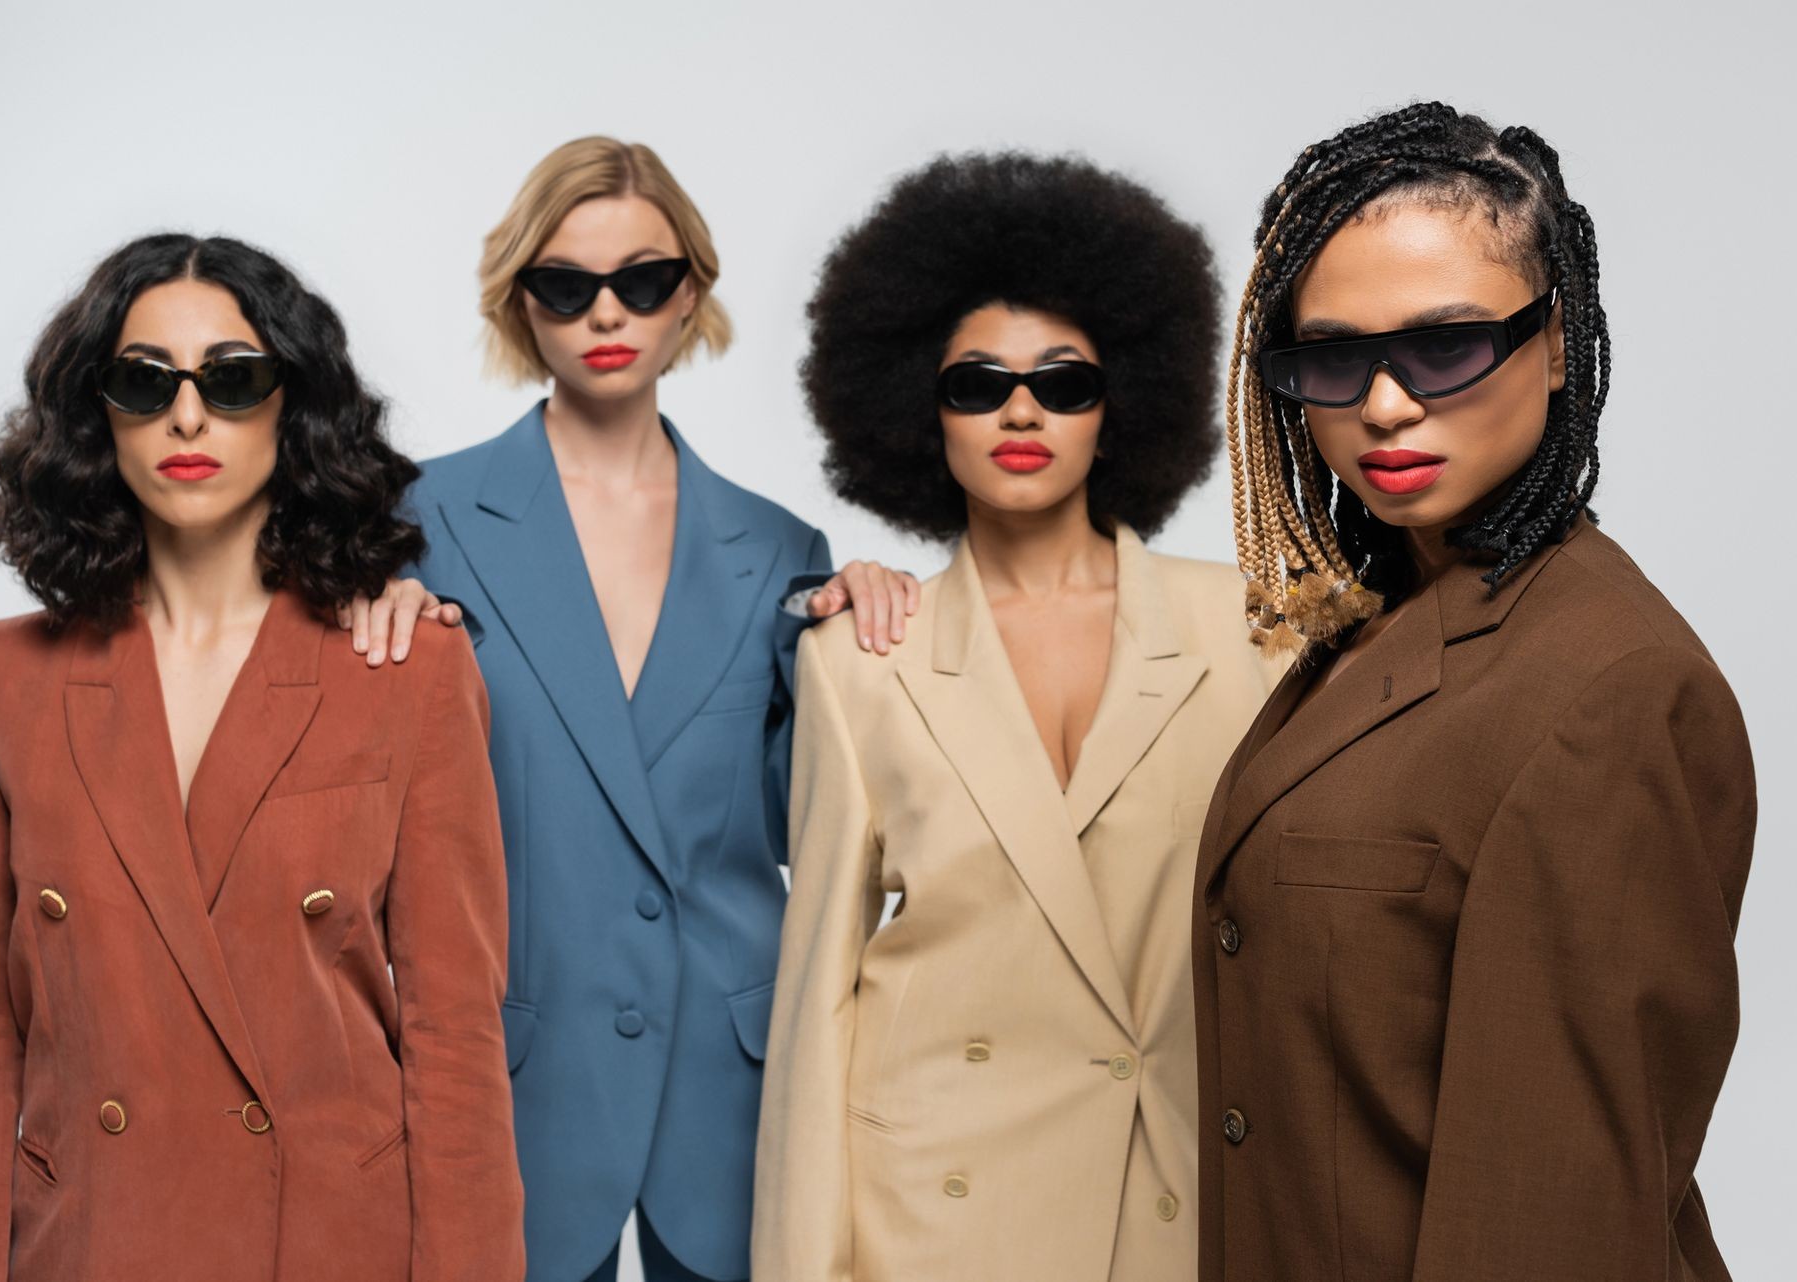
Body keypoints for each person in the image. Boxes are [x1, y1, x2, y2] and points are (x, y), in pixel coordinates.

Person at [1197, 102, 1755, 1281]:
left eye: (1445, 347)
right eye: (1334, 358)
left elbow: (1555, 1211)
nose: (1385, 405)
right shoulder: (1380, 617)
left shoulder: (1610, 689)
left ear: (1557, 342)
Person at [343, 137, 916, 1282]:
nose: (607, 311)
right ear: (522, 303)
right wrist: (350, 618)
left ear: (690, 291)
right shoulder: (419, 522)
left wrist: (870, 637)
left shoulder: (777, 548)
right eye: (567, 285)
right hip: (517, 1066)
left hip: (730, 1077)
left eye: (642, 281)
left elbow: (813, 819)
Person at [0, 234, 523, 1280]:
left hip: (333, 1248)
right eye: (144, 383)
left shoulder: (407, 671)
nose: (187, 416)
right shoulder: (2, 681)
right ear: (96, 413)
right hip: (92, 1247)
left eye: (233, 380)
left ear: (294, 404)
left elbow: (453, 1037)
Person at [753, 152, 1280, 1282]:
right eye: (977, 383)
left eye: (1065, 382)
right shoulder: (858, 659)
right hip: (933, 1216)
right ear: (917, 410)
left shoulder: (1249, 636)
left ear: (1121, 402)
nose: (1023, 408)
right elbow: (816, 1000)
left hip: (1175, 1197)